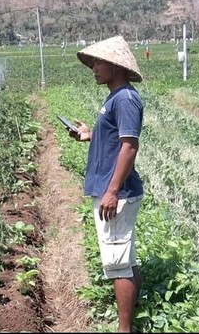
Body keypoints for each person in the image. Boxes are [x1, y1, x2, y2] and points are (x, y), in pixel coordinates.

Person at [68, 35, 145, 333]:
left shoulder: (125, 98)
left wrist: (112, 191)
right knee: (125, 257)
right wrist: (89, 135)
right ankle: (130, 317)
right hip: (111, 190)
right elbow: (115, 140)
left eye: (99, 62)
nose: (94, 68)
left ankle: (124, 329)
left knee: (118, 263)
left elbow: (129, 147)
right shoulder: (115, 97)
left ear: (116, 65)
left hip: (118, 193)